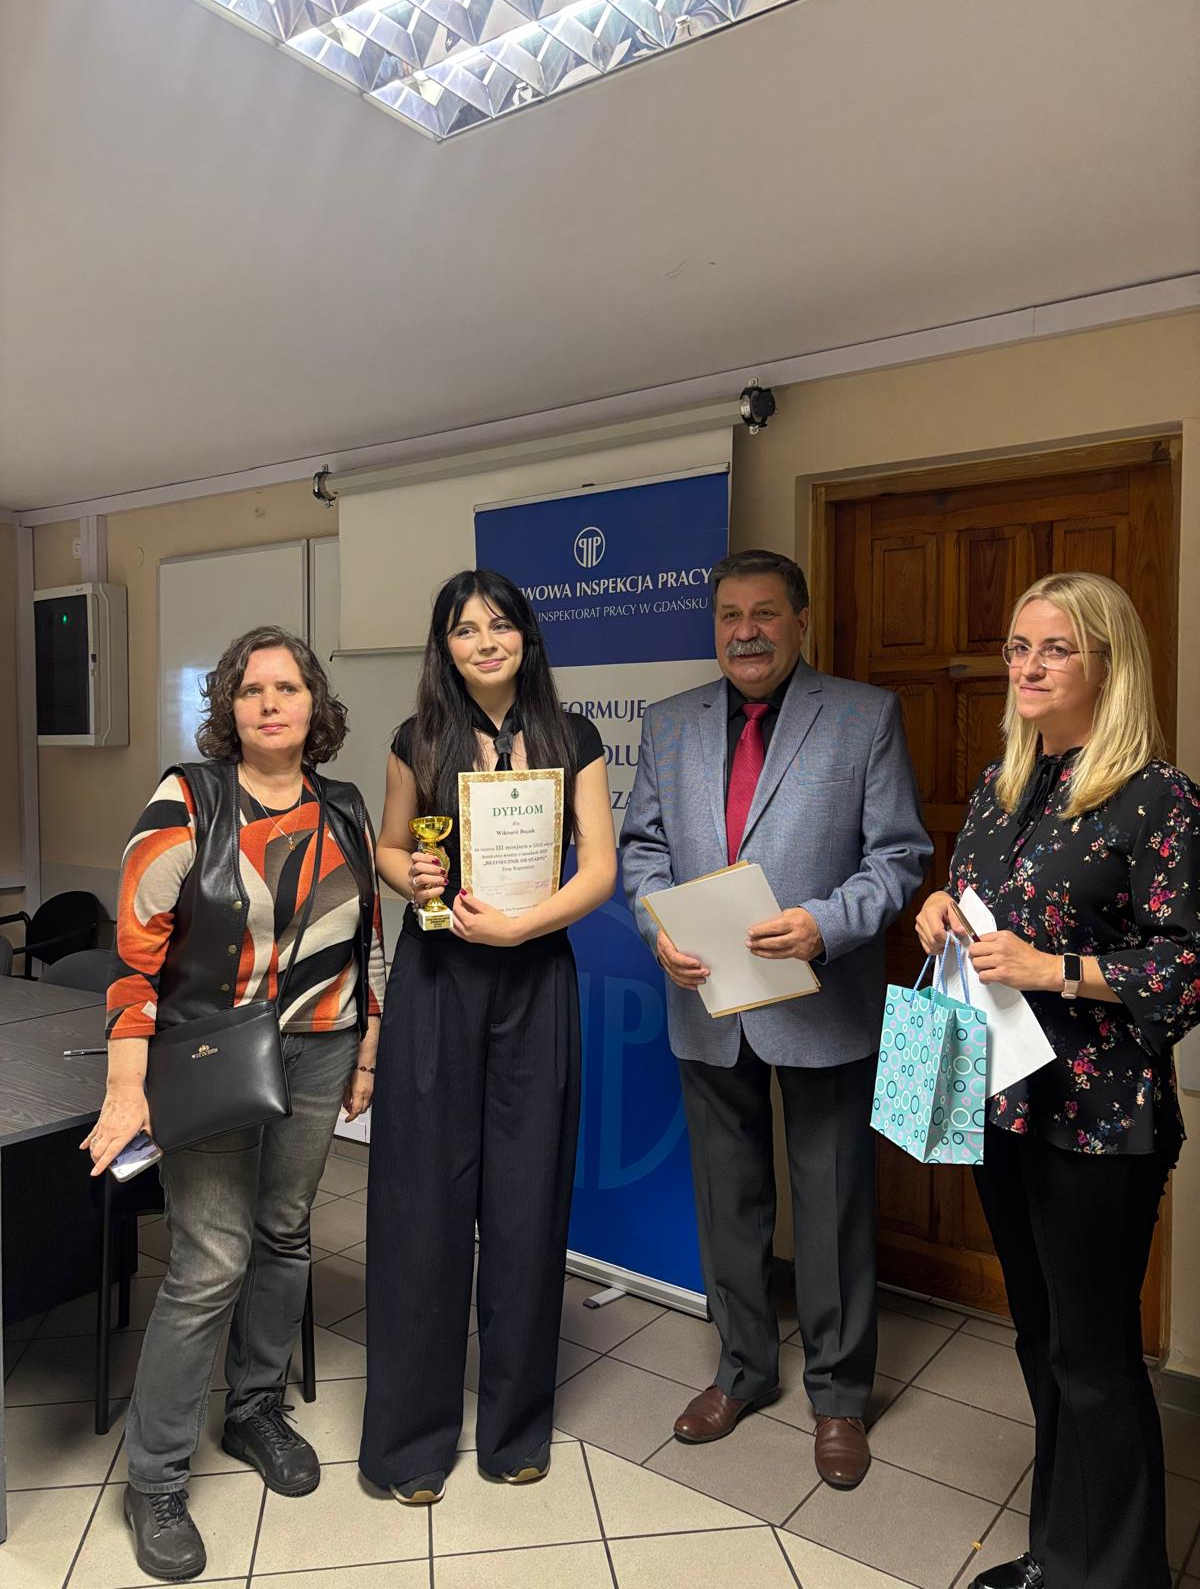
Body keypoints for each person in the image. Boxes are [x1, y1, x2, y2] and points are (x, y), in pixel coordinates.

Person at [621, 547, 931, 1488]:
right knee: (729, 1202)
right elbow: (641, 849)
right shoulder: (669, 723)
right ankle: (743, 1369)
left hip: (819, 1000)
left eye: (764, 614)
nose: (745, 632)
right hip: (708, 1002)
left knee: (831, 1208)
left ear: (800, 620)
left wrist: (825, 925)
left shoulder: (864, 716)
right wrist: (659, 927)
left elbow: (899, 857)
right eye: (729, 615)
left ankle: (838, 1396)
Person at [914, 572, 1198, 1589]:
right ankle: (1058, 1555)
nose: (1028, 666)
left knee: (1094, 1351)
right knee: (1040, 1336)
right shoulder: (1004, 784)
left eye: (1056, 648)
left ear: (1109, 664)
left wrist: (1056, 970)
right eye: (1018, 647)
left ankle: (1118, 1575)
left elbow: (1185, 965)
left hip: (1100, 1118)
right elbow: (981, 902)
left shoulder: (1158, 796)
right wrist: (938, 911)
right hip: (1004, 1097)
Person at [85, 626, 386, 1584]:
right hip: (211, 1057)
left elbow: (367, 939)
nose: (270, 703)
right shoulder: (187, 800)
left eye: (288, 687)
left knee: (286, 1232)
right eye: (251, 689)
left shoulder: (344, 806)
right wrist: (126, 1085)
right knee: (211, 1260)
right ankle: (155, 1478)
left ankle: (255, 1408)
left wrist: (368, 1041)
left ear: (314, 705)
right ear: (230, 708)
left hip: (321, 1047)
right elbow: (135, 957)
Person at [359, 568, 615, 1505]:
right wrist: (413, 877)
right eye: (465, 629)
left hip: (535, 980)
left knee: (526, 1202)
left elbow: (601, 869)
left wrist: (523, 928)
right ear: (446, 647)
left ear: (526, 637)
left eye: (500, 624)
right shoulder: (416, 739)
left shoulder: (573, 739)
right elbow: (390, 849)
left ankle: (514, 1431)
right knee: (422, 1206)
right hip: (436, 982)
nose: (485, 641)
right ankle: (410, 1444)